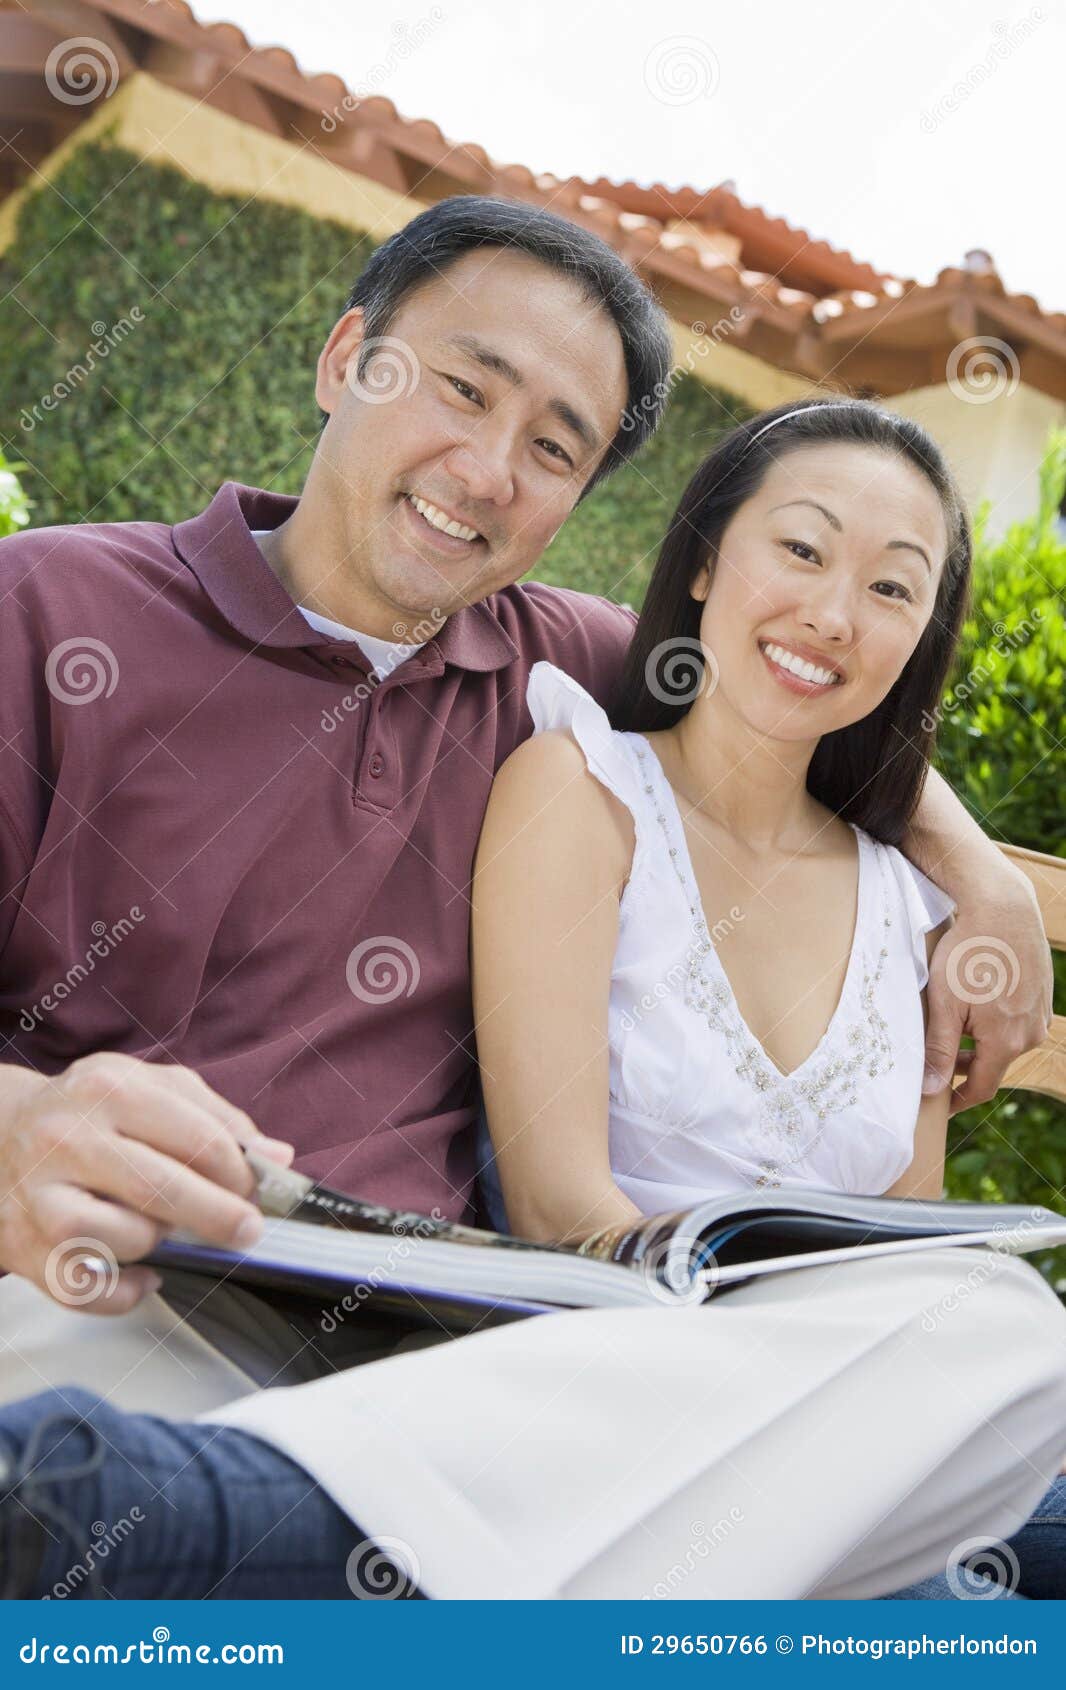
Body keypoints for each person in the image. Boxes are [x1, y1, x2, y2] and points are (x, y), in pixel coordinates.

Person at [0, 201, 1061, 1600]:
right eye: (459, 386)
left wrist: (976, 875)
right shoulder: (49, 610)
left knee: (992, 1330)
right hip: (128, 1284)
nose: (488, 471)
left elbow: (799, 682)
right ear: (343, 359)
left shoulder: (557, 663)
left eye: (553, 447)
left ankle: (247, 1535)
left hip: (468, 1350)